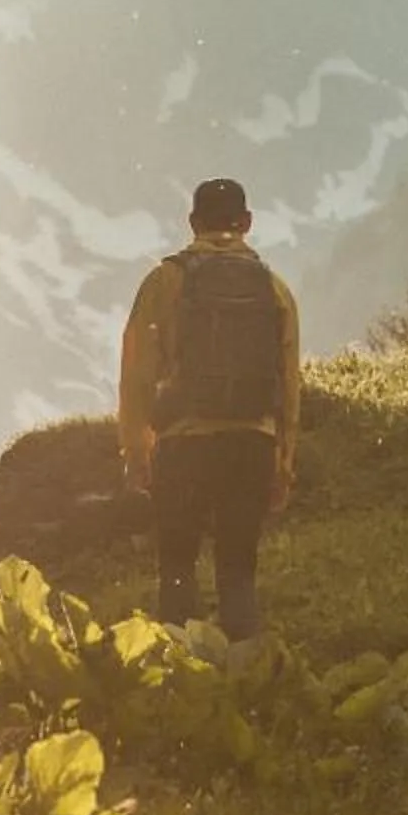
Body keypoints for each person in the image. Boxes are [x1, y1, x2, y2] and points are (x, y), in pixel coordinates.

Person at [116, 177, 301, 640]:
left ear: (193, 223)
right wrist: (284, 462)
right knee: (238, 570)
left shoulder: (165, 280)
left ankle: (177, 679)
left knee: (177, 566)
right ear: (248, 224)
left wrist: (136, 451)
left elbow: (137, 373)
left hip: (185, 444)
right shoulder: (275, 289)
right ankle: (242, 680)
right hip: (252, 443)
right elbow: (289, 386)